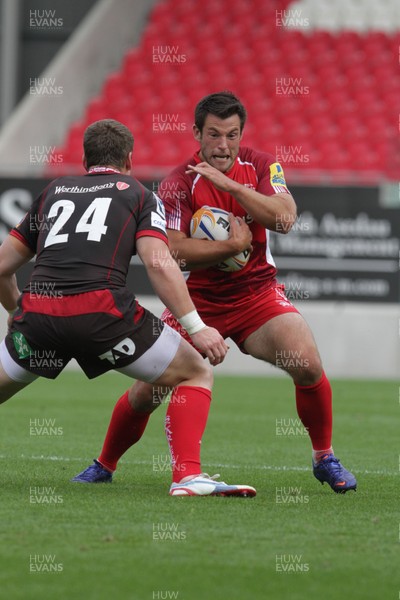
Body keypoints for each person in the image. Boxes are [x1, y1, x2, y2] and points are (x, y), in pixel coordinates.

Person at [74, 93, 356, 494]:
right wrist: (227, 247)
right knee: (148, 391)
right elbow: (173, 251)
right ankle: (104, 464)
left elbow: (285, 217)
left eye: (232, 135)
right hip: (199, 303)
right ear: (196, 134)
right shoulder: (175, 184)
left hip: (257, 296)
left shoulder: (261, 165)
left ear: (241, 134)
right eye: (214, 134)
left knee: (307, 363)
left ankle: (324, 457)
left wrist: (230, 186)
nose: (223, 145)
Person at [0, 118, 256, 498]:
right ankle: (187, 477)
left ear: (86, 159)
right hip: (103, 315)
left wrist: (19, 312)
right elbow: (158, 262)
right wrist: (197, 326)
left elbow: (3, 268)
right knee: (194, 372)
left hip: (40, 319)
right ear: (129, 159)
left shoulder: (52, 191)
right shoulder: (138, 194)